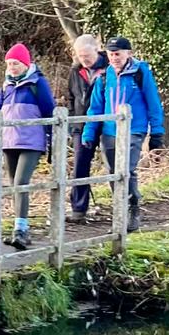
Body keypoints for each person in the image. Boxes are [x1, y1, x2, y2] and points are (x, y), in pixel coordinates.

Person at [80, 35, 165, 233]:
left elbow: (153, 102)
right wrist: (88, 133)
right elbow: (95, 108)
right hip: (109, 130)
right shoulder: (103, 76)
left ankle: (132, 209)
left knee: (126, 169)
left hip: (135, 128)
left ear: (129, 53)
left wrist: (157, 133)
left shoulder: (140, 72)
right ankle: (121, 212)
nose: (115, 58)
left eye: (118, 54)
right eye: (111, 54)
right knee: (113, 173)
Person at [0, 42, 56, 251]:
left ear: (25, 64)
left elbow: (50, 112)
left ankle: (21, 229)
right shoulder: (5, 85)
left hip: (31, 141)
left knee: (21, 182)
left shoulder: (37, 83)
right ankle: (19, 228)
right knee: (14, 186)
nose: (12, 67)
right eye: (9, 63)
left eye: (16, 63)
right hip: (9, 141)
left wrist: (52, 143)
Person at [66, 33, 104, 224]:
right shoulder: (75, 70)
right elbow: (71, 97)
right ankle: (78, 209)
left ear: (96, 50)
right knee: (80, 165)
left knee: (115, 165)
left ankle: (125, 206)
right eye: (80, 56)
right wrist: (73, 122)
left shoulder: (108, 68)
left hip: (106, 122)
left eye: (87, 56)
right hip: (81, 124)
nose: (84, 60)